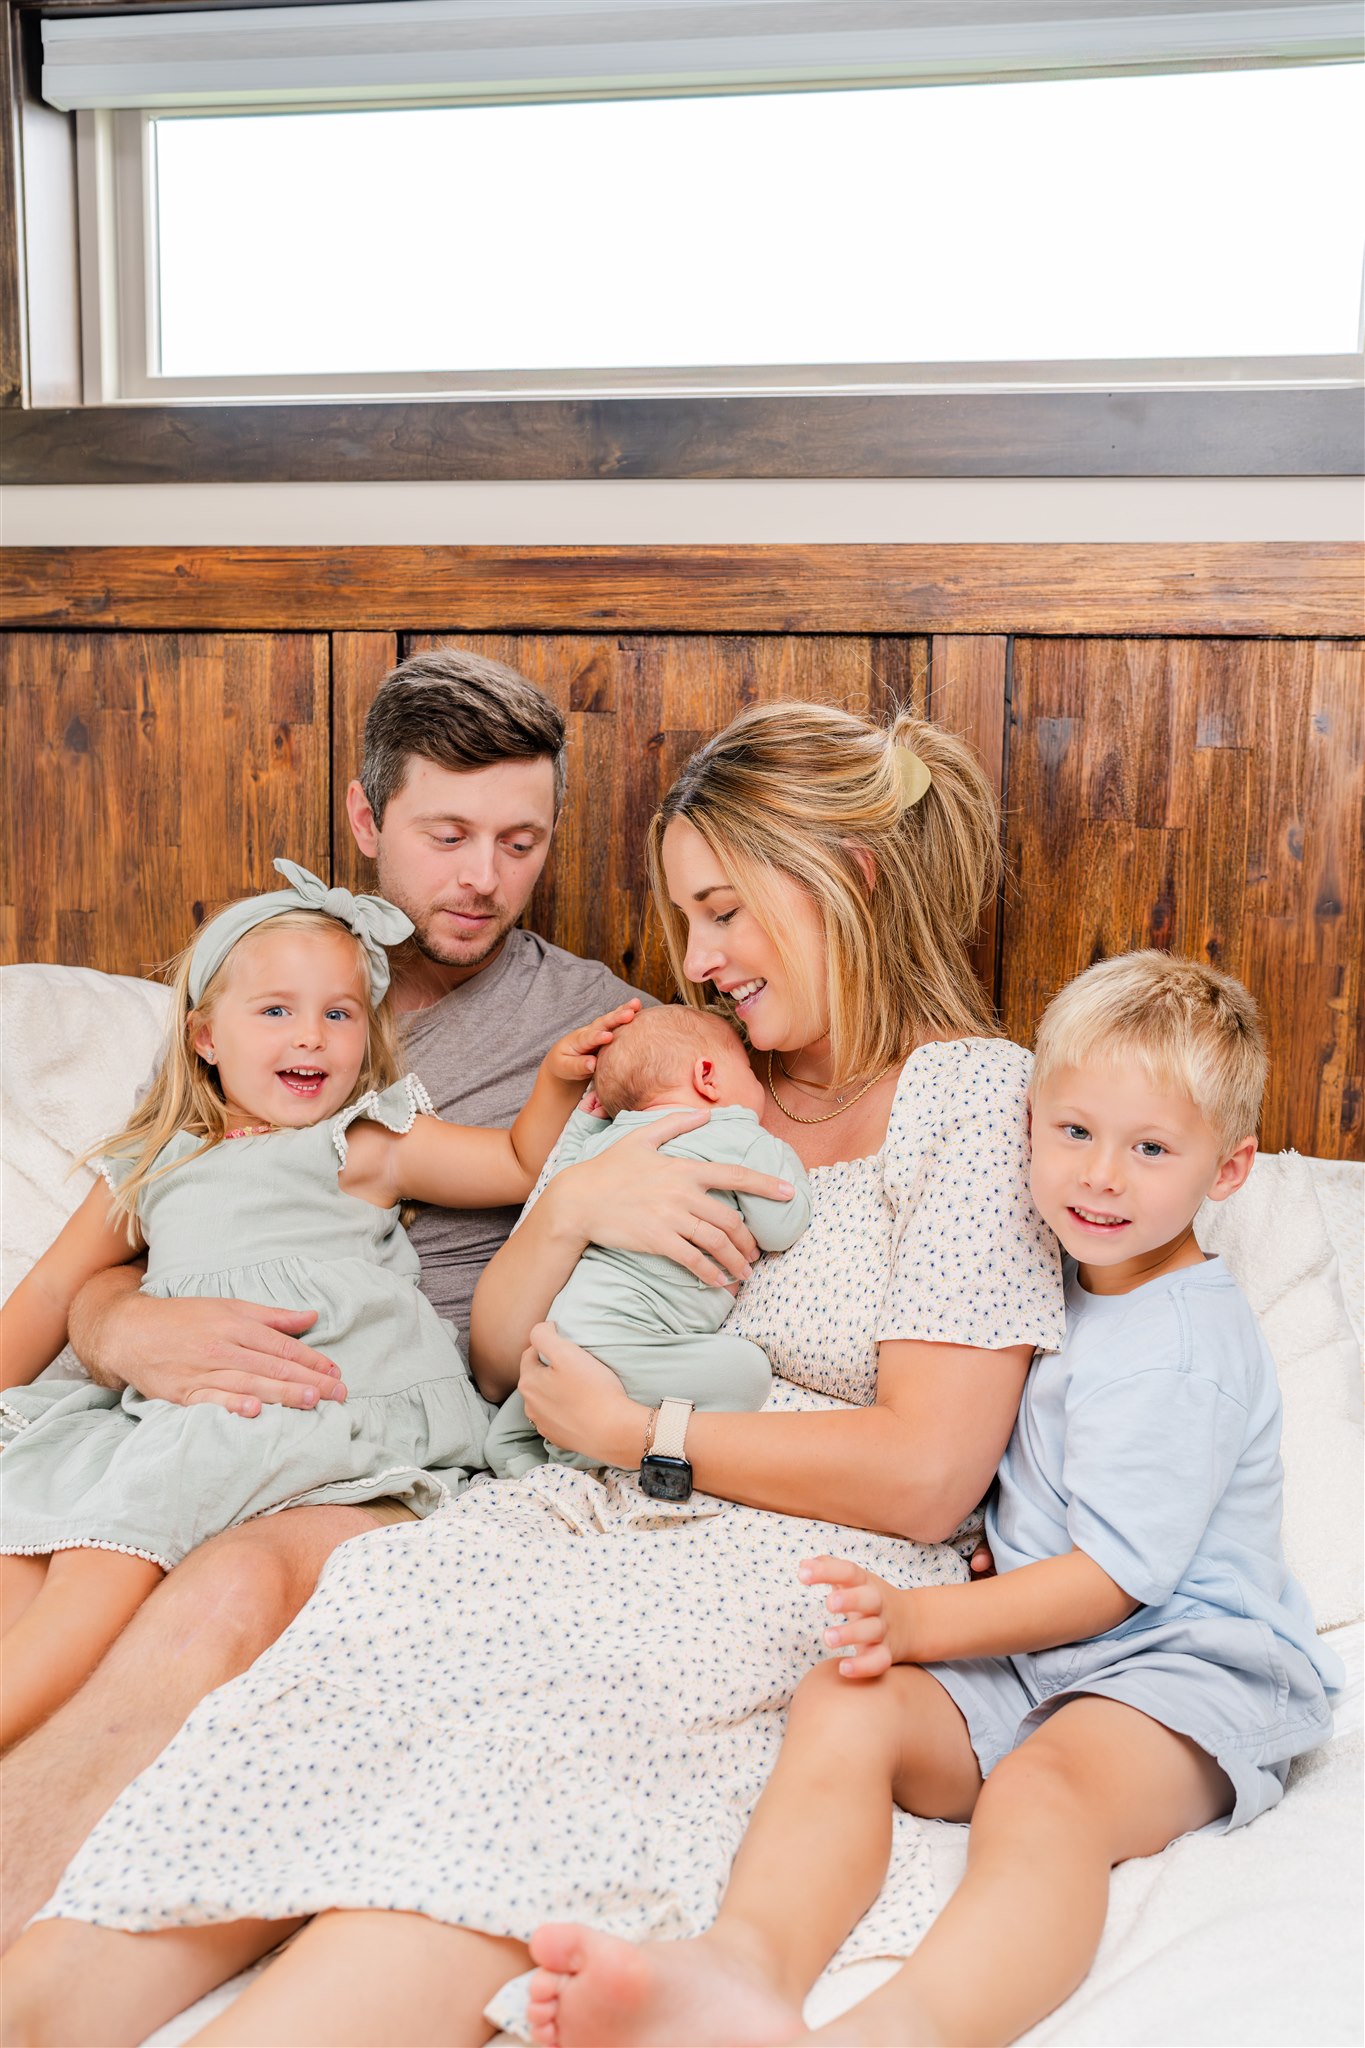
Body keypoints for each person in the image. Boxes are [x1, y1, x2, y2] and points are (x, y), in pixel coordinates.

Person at [1, 700, 1067, 2048]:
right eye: (687, 921)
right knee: (319, 1707)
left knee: (503, 1784)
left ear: (847, 880)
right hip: (552, 1505)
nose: (699, 959)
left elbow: (925, 1474)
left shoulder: (973, 1100)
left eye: (724, 913)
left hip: (768, 1555)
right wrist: (574, 1213)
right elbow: (512, 1364)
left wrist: (642, 1432)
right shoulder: (692, 1074)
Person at [0, 650, 786, 1948]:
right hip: (193, 1405)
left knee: (208, 1589)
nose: (483, 876)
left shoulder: (592, 1028)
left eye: (521, 841)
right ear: (368, 824)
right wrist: (115, 1325)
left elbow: (723, 1123)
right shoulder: (267, 1002)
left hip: (388, 1441)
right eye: (447, 834)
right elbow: (168, 1211)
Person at [523, 951, 1344, 2048]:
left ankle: (905, 2027)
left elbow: (1111, 1580)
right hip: (1035, 1649)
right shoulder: (1062, 1278)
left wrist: (918, 1619)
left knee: (1044, 1794)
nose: (1101, 1176)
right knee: (845, 1700)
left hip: (1180, 1667)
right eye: (1074, 1132)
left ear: (1229, 1169)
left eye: (1151, 1148)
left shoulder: (1181, 1344)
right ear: (1030, 1126)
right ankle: (744, 1967)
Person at [0, 856, 639, 1749]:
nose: (311, 1038)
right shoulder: (158, 1165)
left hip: (321, 1403)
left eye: (338, 1014)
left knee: (97, 1563)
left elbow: (519, 1166)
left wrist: (556, 1087)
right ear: (204, 1038)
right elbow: (55, 1288)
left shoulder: (363, 1143)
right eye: (275, 1012)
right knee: (20, 1546)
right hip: (194, 1412)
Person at [485, 1005, 812, 1478]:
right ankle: (582, 1451)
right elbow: (782, 1226)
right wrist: (786, 1167)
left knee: (545, 1378)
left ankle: (512, 1442)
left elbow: (555, 1183)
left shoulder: (608, 1144)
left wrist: (581, 1128)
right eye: (748, 1071)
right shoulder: (737, 1134)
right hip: (638, 1342)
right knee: (748, 1373)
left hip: (564, 1330)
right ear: (708, 1077)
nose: (759, 1087)